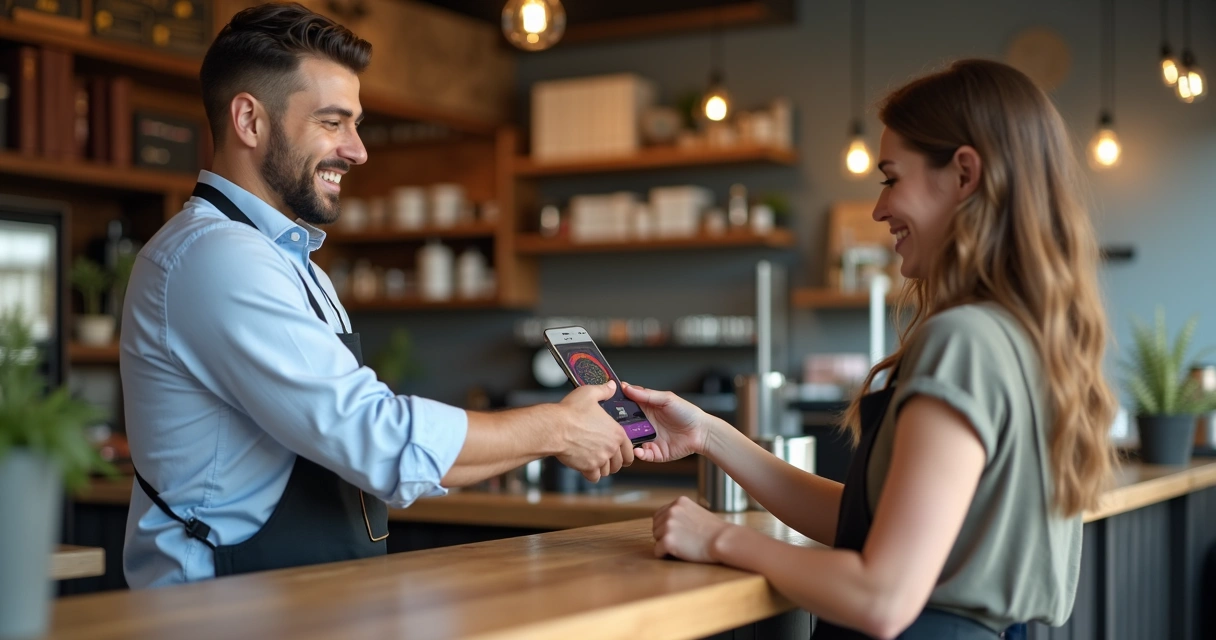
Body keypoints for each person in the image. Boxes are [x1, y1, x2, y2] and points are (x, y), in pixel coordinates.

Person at [120, 3, 634, 588]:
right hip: (222, 611)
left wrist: (556, 430)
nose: (358, 149)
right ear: (249, 120)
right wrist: (556, 429)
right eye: (332, 122)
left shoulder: (289, 258)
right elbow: (376, 439)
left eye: (355, 123)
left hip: (302, 599)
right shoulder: (215, 257)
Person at [624, 59, 1117, 639]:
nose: (880, 210)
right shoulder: (1022, 339)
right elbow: (869, 527)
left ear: (964, 174)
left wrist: (720, 539)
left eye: (890, 178)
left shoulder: (965, 342)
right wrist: (707, 434)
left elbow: (881, 597)